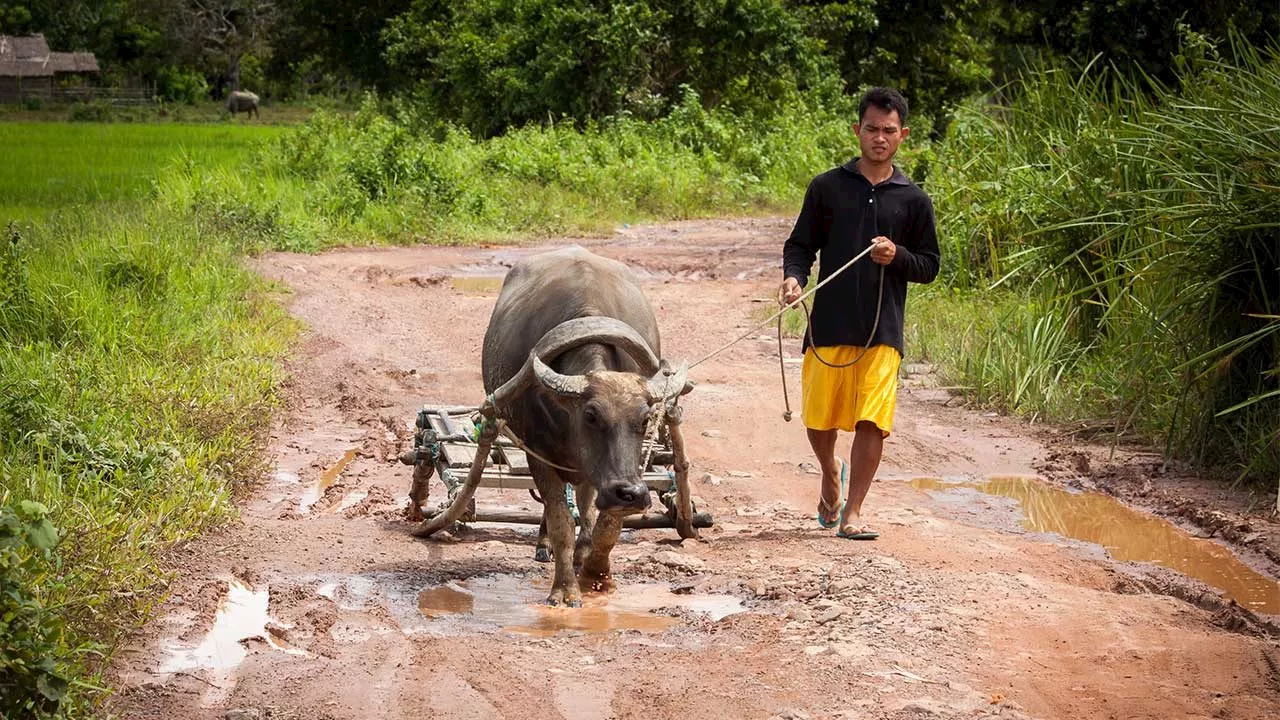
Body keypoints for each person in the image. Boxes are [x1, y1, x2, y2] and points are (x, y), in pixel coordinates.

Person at [779, 86, 940, 540]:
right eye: (871, 129)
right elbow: (800, 245)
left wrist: (899, 256)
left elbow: (930, 265)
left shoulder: (914, 200)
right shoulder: (827, 187)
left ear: (903, 135)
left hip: (882, 330)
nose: (880, 138)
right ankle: (831, 471)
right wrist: (794, 279)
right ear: (858, 130)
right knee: (819, 419)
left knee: (873, 419)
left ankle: (853, 513)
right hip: (828, 322)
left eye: (889, 130)